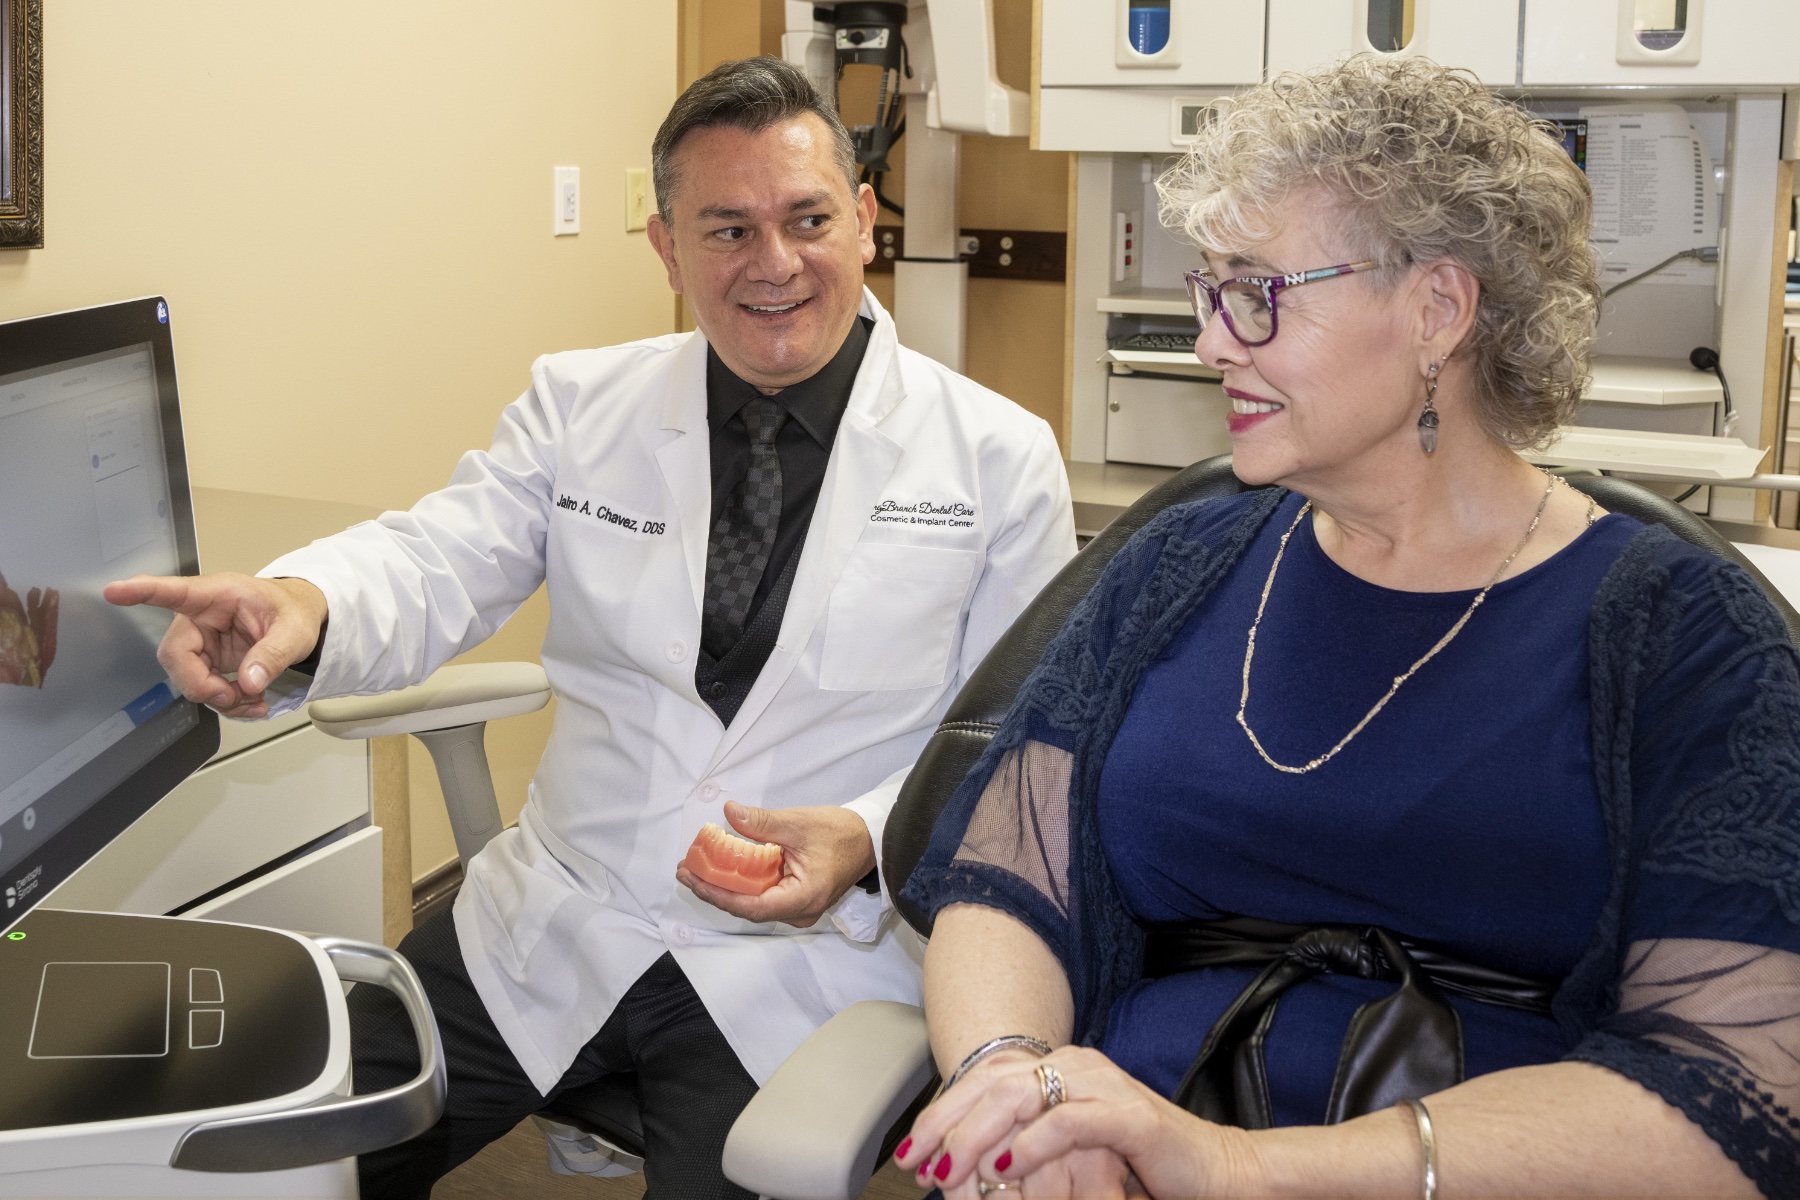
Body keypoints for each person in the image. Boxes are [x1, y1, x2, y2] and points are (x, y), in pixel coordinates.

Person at [106, 57, 1074, 1198]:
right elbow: (439, 554)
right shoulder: (582, 407)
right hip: (557, 917)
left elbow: (1017, 749)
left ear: (863, 221)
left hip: (808, 967)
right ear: (667, 248)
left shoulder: (997, 458)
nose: (774, 264)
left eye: (808, 219)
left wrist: (867, 837)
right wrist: (305, 604)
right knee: (269, 1161)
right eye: (726, 230)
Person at [892, 55, 1800, 1199]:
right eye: (1209, 288)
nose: (1215, 340)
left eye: (1259, 290)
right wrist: (1019, 1092)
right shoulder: (1180, 564)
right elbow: (1009, 880)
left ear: (1437, 311)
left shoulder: (1683, 639)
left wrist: (1234, 1169)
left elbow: (1731, 1090)